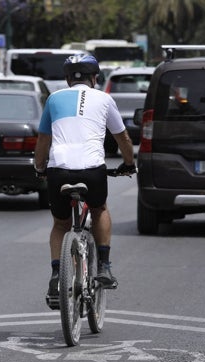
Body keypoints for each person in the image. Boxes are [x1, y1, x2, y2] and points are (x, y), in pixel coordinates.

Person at [34, 54, 136, 309]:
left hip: (59, 170)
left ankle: (57, 276)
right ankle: (104, 265)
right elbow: (122, 137)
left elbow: (43, 141)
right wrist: (129, 163)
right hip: (92, 170)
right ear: (95, 78)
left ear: (68, 78)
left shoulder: (54, 99)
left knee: (60, 224)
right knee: (99, 209)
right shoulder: (104, 98)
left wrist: (39, 168)